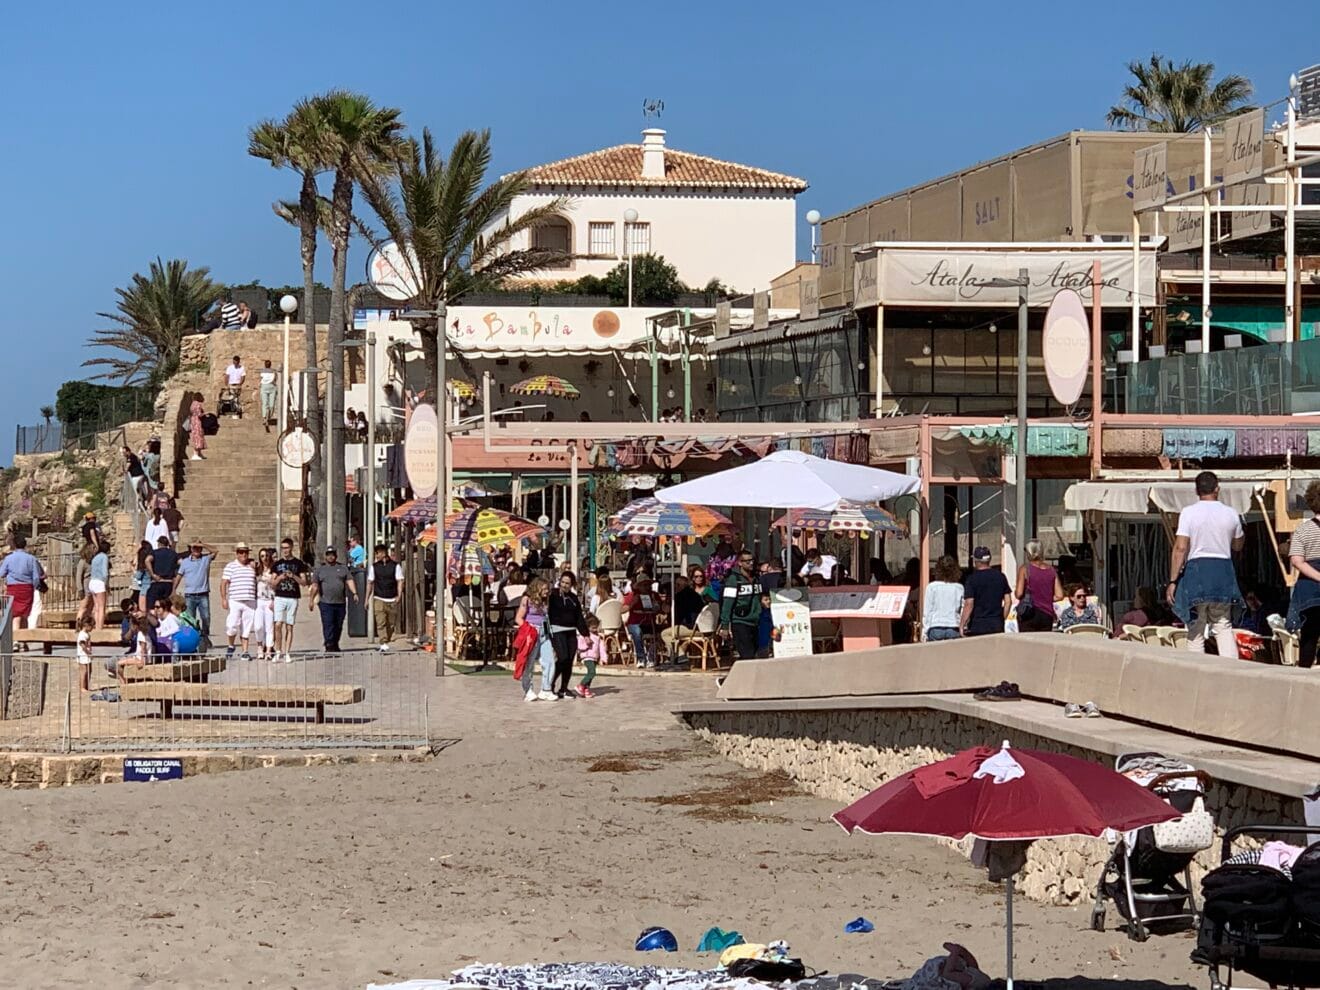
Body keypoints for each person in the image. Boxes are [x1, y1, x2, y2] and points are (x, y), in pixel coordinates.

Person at [1169, 470, 1244, 657]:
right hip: (1222, 571)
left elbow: (1180, 548)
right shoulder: (1231, 513)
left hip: (1197, 571)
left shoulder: (1188, 513)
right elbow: (1238, 545)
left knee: (1195, 626)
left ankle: (1197, 672)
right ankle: (1231, 672)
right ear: (1217, 488)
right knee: (1223, 625)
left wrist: (1173, 580)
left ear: (1197, 490)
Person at [1287, 480, 1320, 668]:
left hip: (1309, 587)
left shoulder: (1303, 529)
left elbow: (1296, 560)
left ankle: (1305, 672)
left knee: (1309, 634)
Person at [547, 571, 589, 698]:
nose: (564, 585)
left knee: (569, 660)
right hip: (557, 630)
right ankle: (550, 683)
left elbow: (579, 617)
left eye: (567, 583)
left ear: (572, 584)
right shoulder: (552, 595)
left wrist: (585, 634)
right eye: (563, 582)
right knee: (563, 657)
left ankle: (564, 688)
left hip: (571, 630)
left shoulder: (573, 598)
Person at [311, 545, 358, 653]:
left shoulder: (343, 568)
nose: (331, 557)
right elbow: (314, 586)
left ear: (336, 556)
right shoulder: (320, 570)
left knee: (338, 624)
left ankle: (335, 643)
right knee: (328, 624)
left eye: (332, 555)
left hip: (340, 602)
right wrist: (311, 600)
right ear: (325, 557)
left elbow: (349, 581)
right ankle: (329, 644)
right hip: (325, 603)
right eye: (328, 555)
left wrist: (354, 593)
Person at [718, 549, 762, 661]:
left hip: (756, 621)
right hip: (740, 621)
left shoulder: (756, 578)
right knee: (748, 655)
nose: (751, 563)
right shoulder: (733, 580)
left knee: (755, 653)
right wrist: (725, 626)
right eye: (747, 561)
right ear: (740, 563)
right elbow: (727, 604)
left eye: (752, 560)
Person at [513, 576, 551, 701]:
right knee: (529, 662)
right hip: (532, 631)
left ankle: (546, 689)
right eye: (544, 589)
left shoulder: (546, 601)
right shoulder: (527, 600)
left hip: (544, 630)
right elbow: (519, 618)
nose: (546, 591)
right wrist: (527, 629)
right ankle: (528, 689)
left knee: (549, 660)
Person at [271, 538, 308, 662]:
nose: (284, 550)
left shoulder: (299, 563)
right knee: (277, 624)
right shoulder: (277, 564)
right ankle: (278, 651)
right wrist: (280, 577)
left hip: (293, 597)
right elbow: (272, 583)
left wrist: (294, 576)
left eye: (286, 547)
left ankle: (287, 652)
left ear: (291, 547)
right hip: (280, 596)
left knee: (289, 626)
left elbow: (304, 582)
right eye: (283, 548)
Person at [960, 546, 1011, 637]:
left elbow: (969, 603)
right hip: (996, 624)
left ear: (976, 561)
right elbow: (1008, 601)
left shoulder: (972, 579)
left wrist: (962, 624)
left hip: (978, 625)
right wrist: (1001, 618)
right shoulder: (1000, 577)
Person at [1014, 540, 1063, 633]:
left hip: (1028, 613)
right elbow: (1059, 595)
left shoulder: (1025, 569)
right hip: (1047, 614)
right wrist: (1045, 597)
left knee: (1027, 644)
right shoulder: (1051, 570)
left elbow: (1019, 594)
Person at [221, 543, 258, 660]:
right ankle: (231, 645)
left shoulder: (252, 566)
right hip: (235, 600)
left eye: (246, 552)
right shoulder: (230, 566)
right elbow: (223, 583)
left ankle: (245, 651)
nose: (244, 554)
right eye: (241, 552)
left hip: (250, 600)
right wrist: (223, 598)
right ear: (237, 553)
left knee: (246, 627)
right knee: (232, 625)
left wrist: (254, 564)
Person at [366, 545, 404, 652]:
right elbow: (370, 582)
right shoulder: (374, 567)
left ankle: (386, 639)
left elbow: (400, 581)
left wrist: (399, 595)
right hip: (379, 598)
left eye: (377, 553)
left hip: (392, 598)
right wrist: (367, 599)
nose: (376, 556)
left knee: (390, 623)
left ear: (383, 553)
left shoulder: (395, 566)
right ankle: (383, 642)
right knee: (380, 622)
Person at [176, 540, 216, 641]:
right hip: (190, 595)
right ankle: (192, 639)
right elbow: (179, 576)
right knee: (189, 619)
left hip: (203, 594)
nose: (197, 550)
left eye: (199, 548)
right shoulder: (185, 562)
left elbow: (215, 551)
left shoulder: (205, 559)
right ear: (191, 549)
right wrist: (173, 589)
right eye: (195, 548)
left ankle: (205, 636)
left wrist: (203, 544)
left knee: (206, 617)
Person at [922, 555, 965, 641]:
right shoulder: (959, 588)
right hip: (953, 627)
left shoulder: (931, 587)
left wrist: (925, 631)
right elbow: (962, 609)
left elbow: (927, 611)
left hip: (935, 627)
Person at [623, 574, 660, 668]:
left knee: (658, 633)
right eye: (644, 585)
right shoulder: (632, 596)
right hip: (634, 622)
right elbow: (622, 609)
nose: (647, 587)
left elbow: (662, 609)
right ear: (639, 586)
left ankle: (651, 657)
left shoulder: (654, 595)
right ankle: (641, 658)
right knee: (637, 632)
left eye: (648, 585)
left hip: (649, 622)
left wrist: (656, 604)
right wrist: (632, 603)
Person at [80, 539, 110, 630]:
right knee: (101, 607)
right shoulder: (104, 557)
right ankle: (99, 628)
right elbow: (105, 572)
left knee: (96, 607)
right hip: (100, 582)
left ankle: (96, 626)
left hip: (92, 582)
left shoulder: (95, 557)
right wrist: (107, 584)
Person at [253, 547, 277, 660]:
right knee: (258, 626)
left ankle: (268, 650)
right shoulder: (257, 569)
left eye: (266, 556)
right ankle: (259, 646)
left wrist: (275, 600)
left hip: (270, 600)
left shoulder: (274, 569)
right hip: (259, 600)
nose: (264, 558)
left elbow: (277, 586)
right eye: (262, 556)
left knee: (269, 627)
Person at [145, 535, 179, 610]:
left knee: (153, 607)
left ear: (159, 544)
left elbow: (147, 560)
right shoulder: (173, 553)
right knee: (166, 607)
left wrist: (152, 574)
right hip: (168, 583)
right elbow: (181, 562)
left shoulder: (155, 553)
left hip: (157, 582)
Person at [577, 615, 604, 698]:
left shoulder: (598, 637)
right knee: (592, 672)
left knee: (591, 674)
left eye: (596, 627)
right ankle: (581, 685)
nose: (595, 630)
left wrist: (603, 658)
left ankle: (586, 689)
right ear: (588, 627)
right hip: (587, 657)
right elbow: (579, 646)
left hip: (595, 657)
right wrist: (586, 646)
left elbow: (601, 648)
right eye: (593, 628)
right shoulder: (584, 636)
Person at [76, 615, 94, 692]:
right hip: (83, 655)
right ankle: (82, 687)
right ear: (86, 625)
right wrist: (88, 652)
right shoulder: (82, 634)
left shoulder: (86, 634)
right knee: (84, 671)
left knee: (89, 670)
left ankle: (86, 685)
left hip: (87, 656)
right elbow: (82, 645)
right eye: (92, 626)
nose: (93, 628)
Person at [258, 359, 278, 430]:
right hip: (266, 387)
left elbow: (260, 379)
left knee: (271, 404)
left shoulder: (272, 371)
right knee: (266, 403)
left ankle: (267, 417)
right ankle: (265, 418)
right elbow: (275, 379)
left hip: (271, 387)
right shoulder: (266, 371)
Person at [188, 392, 207, 460]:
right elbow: (199, 414)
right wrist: (205, 414)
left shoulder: (192, 404)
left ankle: (199, 453)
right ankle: (195, 453)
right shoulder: (198, 404)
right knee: (198, 437)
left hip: (193, 421)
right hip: (197, 422)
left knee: (196, 436)